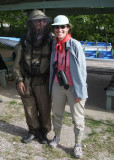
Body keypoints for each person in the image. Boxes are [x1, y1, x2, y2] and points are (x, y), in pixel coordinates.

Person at [49, 15, 88, 159]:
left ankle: (77, 144)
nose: (59, 29)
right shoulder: (54, 44)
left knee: (77, 118)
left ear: (68, 28)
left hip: (74, 87)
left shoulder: (76, 45)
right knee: (57, 114)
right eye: (56, 27)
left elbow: (83, 71)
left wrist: (80, 91)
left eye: (62, 27)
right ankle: (57, 137)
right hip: (58, 85)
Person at [13, 9, 54, 144]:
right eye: (36, 20)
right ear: (31, 23)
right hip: (27, 80)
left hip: (44, 80)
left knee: (44, 108)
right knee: (29, 107)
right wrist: (19, 80)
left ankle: (43, 132)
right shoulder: (24, 40)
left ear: (46, 23)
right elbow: (17, 63)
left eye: (42, 20)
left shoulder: (51, 39)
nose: (39, 23)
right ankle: (33, 131)